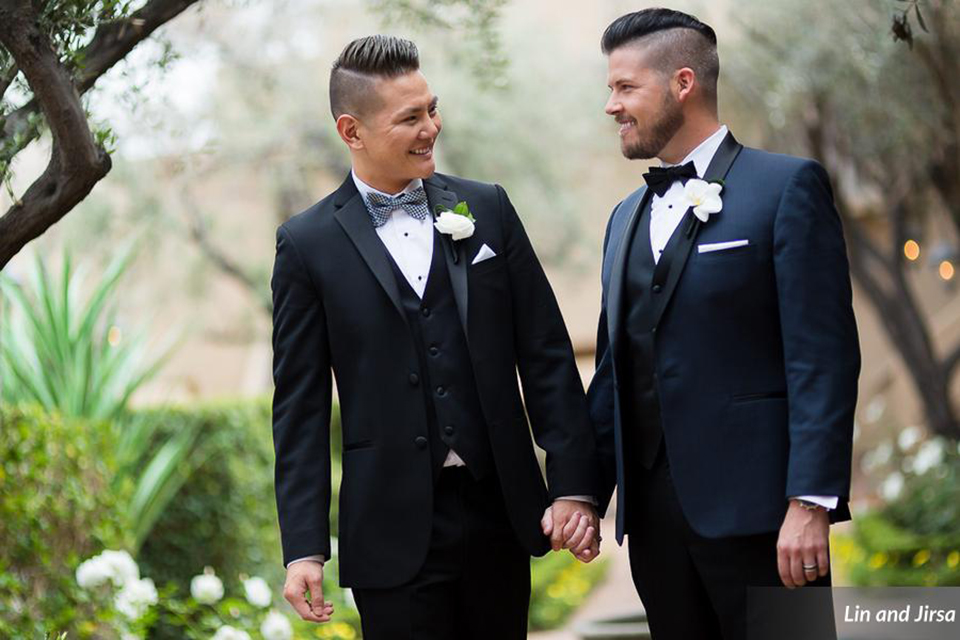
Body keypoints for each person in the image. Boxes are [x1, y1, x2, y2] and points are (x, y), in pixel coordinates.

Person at [271, 35, 601, 640]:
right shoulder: (306, 244)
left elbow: (546, 354)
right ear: (352, 131)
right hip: (389, 529)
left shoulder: (488, 208)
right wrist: (304, 548)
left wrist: (574, 486)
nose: (432, 127)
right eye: (410, 118)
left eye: (432, 109)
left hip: (498, 511)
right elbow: (300, 408)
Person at [588, 8, 860, 639]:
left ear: (683, 83)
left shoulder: (786, 188)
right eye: (610, 89)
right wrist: (579, 493)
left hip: (768, 522)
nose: (612, 106)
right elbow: (612, 375)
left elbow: (822, 357)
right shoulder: (623, 219)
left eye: (625, 87)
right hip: (656, 535)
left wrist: (810, 501)